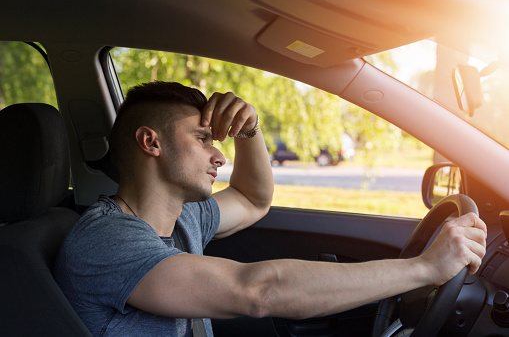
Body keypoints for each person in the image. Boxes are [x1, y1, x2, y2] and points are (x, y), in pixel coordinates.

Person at [53, 81, 487, 337]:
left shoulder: (182, 216)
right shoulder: (106, 240)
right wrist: (425, 269)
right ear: (151, 142)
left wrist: (250, 130)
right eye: (203, 139)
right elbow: (257, 291)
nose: (219, 156)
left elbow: (253, 199)